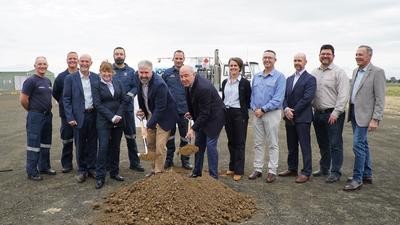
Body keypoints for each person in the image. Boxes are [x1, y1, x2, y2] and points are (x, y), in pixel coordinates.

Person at [343, 45, 386, 191]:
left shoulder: (377, 72)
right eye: (356, 54)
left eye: (360, 54)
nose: (357, 57)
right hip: (354, 113)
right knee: (363, 144)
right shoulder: (355, 71)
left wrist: (376, 119)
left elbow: (380, 99)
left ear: (369, 56)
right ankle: (367, 175)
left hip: (366, 116)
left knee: (357, 145)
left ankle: (357, 179)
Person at [311, 44, 350, 183]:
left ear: (333, 56)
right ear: (319, 55)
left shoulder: (339, 72)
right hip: (318, 113)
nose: (325, 56)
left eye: (328, 54)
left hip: (333, 114)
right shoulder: (314, 72)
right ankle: (324, 168)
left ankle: (335, 171)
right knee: (323, 144)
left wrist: (336, 112)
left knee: (335, 144)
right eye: (323, 54)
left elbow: (343, 94)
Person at [180, 65, 225, 179]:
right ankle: (196, 172)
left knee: (210, 145)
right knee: (198, 145)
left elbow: (206, 113)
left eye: (186, 76)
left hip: (215, 117)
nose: (183, 79)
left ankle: (213, 177)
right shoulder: (188, 84)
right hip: (203, 116)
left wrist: (192, 128)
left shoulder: (203, 87)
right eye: (181, 76)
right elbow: (193, 103)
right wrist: (192, 114)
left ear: (193, 74)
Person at [135, 60, 179, 177]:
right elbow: (142, 97)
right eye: (141, 72)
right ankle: (153, 169)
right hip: (152, 114)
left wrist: (148, 125)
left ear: (152, 71)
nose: (143, 75)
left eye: (146, 73)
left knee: (160, 146)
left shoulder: (159, 84)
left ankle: (158, 173)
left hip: (165, 117)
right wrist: (142, 111)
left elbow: (161, 108)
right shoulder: (138, 78)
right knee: (150, 144)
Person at [248, 50, 286, 183]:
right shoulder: (256, 76)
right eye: (265, 58)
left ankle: (272, 171)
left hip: (271, 114)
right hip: (257, 113)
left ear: (275, 60)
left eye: (270, 58)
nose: (267, 60)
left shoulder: (279, 77)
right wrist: (254, 108)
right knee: (258, 143)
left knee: (272, 143)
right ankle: (258, 169)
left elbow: (278, 98)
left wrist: (263, 109)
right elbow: (252, 96)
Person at [279, 53, 316, 183]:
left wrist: (292, 111)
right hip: (289, 117)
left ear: (305, 62)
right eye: (295, 60)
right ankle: (292, 168)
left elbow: (307, 98)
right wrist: (285, 109)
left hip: (303, 118)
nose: (297, 62)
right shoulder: (288, 79)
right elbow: (283, 97)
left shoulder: (310, 79)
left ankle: (306, 172)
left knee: (305, 146)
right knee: (291, 145)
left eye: (299, 60)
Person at [63, 54, 99, 183]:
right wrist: (70, 117)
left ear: (91, 63)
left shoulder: (96, 77)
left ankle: (92, 168)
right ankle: (82, 170)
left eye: (87, 61)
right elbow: (66, 99)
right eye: (82, 61)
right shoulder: (70, 78)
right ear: (78, 62)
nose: (84, 63)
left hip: (93, 115)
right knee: (80, 144)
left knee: (93, 143)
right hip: (78, 117)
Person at [92, 61, 128, 189]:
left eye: (109, 71)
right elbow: (97, 104)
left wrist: (118, 115)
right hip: (104, 121)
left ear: (112, 72)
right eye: (104, 71)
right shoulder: (96, 85)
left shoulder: (118, 82)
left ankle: (114, 172)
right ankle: (100, 177)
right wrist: (111, 117)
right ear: (100, 72)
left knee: (116, 147)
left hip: (119, 120)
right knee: (103, 148)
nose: (106, 74)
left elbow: (124, 100)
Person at [20, 56, 56, 181]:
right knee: (33, 144)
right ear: (35, 66)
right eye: (39, 64)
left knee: (46, 143)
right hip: (35, 115)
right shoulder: (30, 81)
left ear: (47, 65)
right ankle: (32, 171)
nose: (42, 66)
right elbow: (23, 100)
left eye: (44, 64)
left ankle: (44, 167)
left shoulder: (47, 81)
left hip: (47, 115)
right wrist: (33, 111)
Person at [112, 47, 144, 172]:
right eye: (117, 54)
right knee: (114, 140)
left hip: (128, 110)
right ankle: (112, 165)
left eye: (121, 54)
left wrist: (128, 96)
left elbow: (136, 87)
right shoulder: (109, 70)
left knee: (131, 137)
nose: (119, 56)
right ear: (113, 55)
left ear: (125, 56)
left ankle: (135, 163)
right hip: (114, 111)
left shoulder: (131, 71)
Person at [221, 57, 251, 181]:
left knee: (239, 142)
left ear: (240, 68)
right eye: (231, 65)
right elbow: (223, 97)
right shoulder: (225, 82)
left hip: (239, 113)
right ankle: (232, 167)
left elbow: (248, 99)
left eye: (235, 66)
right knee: (231, 141)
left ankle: (239, 170)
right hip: (227, 112)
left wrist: (243, 112)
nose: (233, 68)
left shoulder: (244, 82)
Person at [162, 50, 192, 170]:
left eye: (181, 58)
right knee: (170, 137)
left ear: (184, 59)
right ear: (173, 59)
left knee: (185, 137)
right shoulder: (167, 73)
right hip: (170, 111)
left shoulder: (188, 73)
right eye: (177, 58)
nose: (179, 60)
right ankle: (169, 160)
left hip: (184, 111)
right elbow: (162, 91)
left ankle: (185, 161)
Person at [52, 51, 79, 173]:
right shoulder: (61, 77)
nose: (72, 60)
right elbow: (56, 93)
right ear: (66, 60)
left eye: (74, 58)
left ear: (77, 60)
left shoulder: (82, 74)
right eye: (70, 58)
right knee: (67, 140)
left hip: (81, 115)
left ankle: (82, 164)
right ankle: (67, 164)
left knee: (81, 141)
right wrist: (64, 104)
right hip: (66, 115)